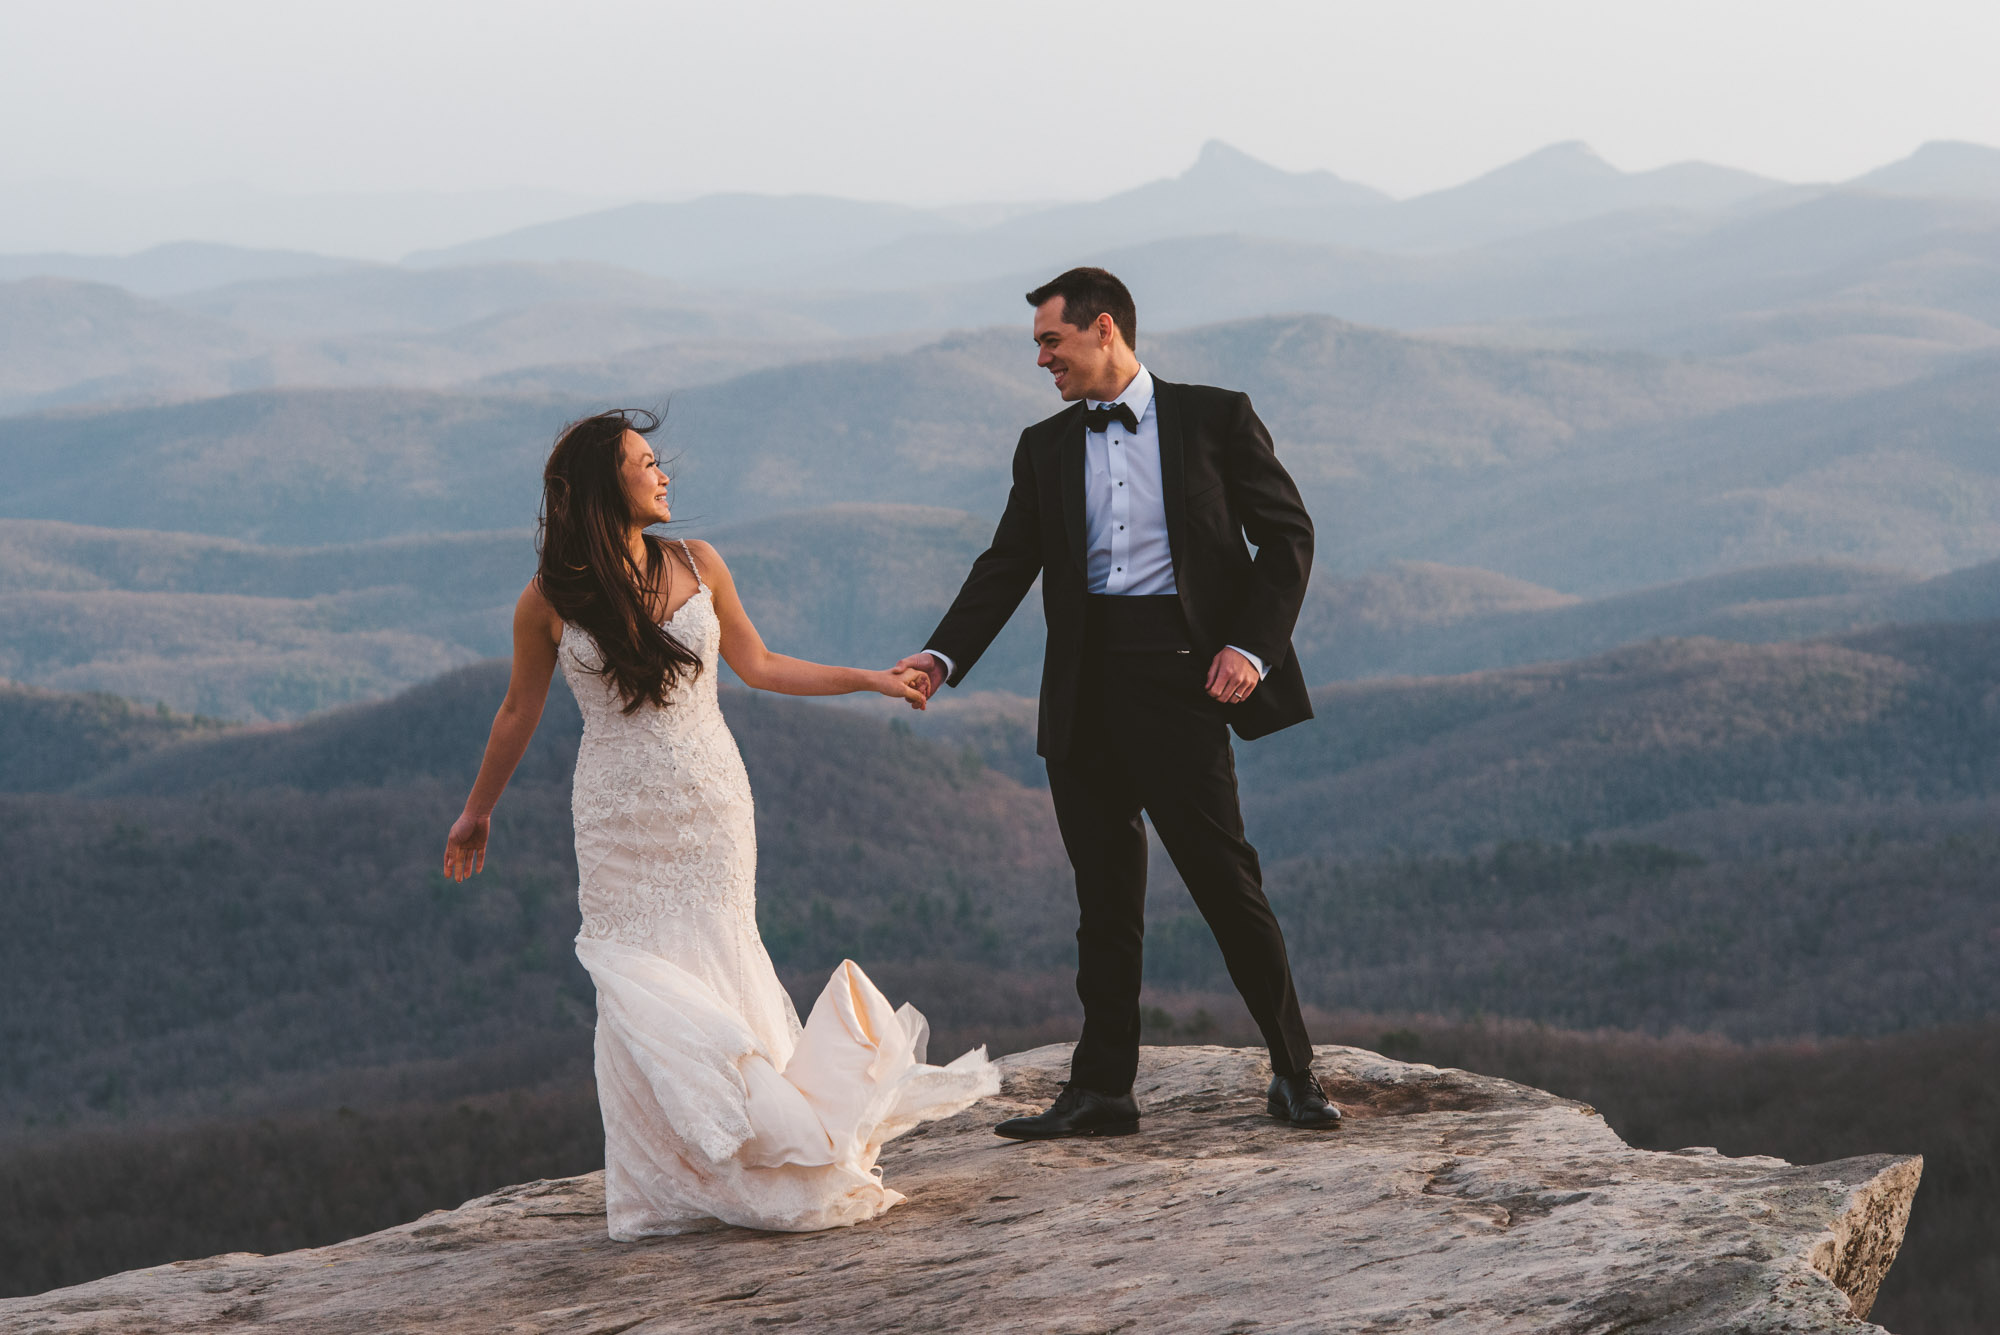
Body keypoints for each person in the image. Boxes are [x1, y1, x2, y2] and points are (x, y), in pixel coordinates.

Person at [444, 408, 997, 1237]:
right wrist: (476, 809)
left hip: (709, 803)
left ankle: (758, 1150)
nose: (663, 473)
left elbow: (763, 664)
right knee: (639, 983)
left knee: (722, 955)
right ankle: (666, 1177)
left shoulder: (698, 563)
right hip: (615, 818)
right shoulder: (548, 599)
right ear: (606, 483)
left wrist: (872, 680)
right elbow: (518, 708)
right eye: (644, 462)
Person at [897, 268, 1341, 1138]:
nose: (1040, 360)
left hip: (1184, 683)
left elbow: (1289, 534)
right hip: (1082, 691)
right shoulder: (1043, 447)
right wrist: (945, 653)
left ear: (1104, 330)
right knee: (1103, 905)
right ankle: (1104, 1090)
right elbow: (1007, 563)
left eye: (1049, 342)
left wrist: (1250, 648)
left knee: (1226, 885)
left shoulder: (1216, 417)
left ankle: (1294, 1072)